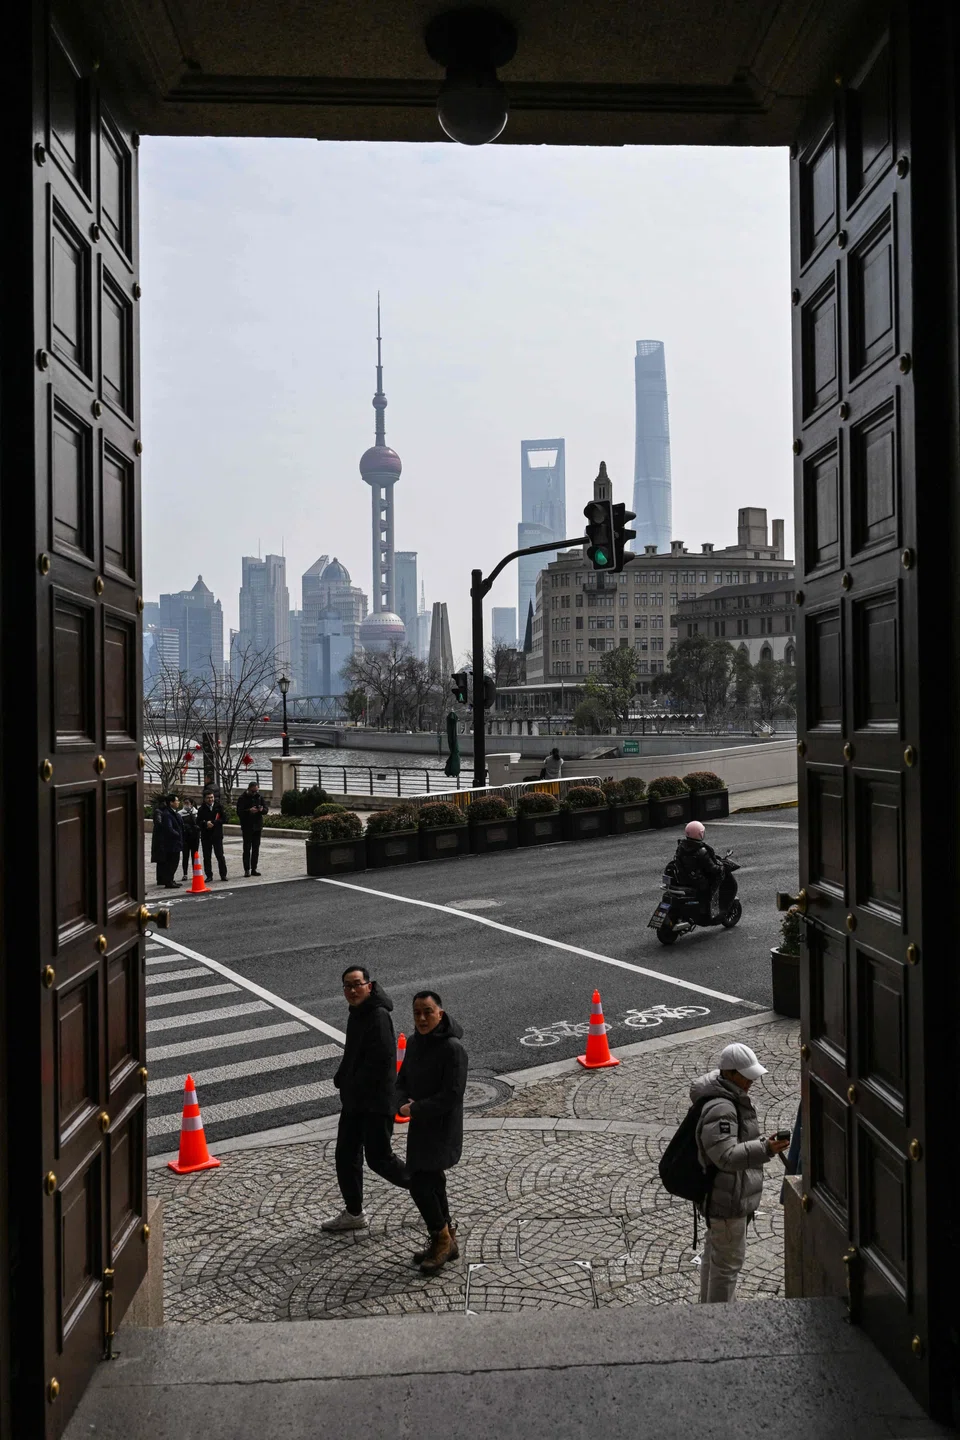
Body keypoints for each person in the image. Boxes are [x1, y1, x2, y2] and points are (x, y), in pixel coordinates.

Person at [691, 1042, 789, 1303]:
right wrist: (765, 1148)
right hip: (727, 1199)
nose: (751, 1082)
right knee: (727, 1266)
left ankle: (707, 1313)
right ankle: (720, 1325)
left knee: (716, 1260)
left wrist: (762, 1146)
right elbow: (725, 1157)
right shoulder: (722, 1108)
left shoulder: (725, 1097)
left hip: (723, 1196)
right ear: (730, 1073)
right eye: (746, 1076)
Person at [322, 966, 410, 1233]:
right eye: (347, 986)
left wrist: (355, 1086)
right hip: (356, 1101)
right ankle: (354, 1212)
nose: (352, 990)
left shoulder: (378, 1015)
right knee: (346, 1155)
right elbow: (354, 1053)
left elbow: (381, 1064)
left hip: (374, 1103)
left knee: (380, 1159)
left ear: (369, 986)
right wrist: (342, 1077)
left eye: (357, 984)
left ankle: (427, 1185)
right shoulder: (359, 1012)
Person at [396, 989, 468, 1275]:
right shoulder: (414, 1043)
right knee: (432, 1180)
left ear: (440, 1012)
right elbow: (401, 1080)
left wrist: (414, 1109)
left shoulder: (452, 1049)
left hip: (442, 1128)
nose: (422, 1018)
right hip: (421, 1124)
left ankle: (441, 1237)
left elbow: (452, 1095)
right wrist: (399, 1103)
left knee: (419, 1183)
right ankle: (446, 1236)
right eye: (417, 1013)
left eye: (428, 1011)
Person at [674, 819, 723, 918]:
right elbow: (711, 868)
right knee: (710, 887)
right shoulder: (701, 850)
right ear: (700, 834)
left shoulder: (681, 846)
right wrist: (720, 868)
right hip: (697, 880)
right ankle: (707, 910)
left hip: (683, 878)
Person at [236, 780, 269, 876]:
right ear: (249, 789)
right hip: (247, 826)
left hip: (257, 826)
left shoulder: (259, 797)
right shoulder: (242, 798)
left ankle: (254, 868)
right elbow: (239, 812)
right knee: (246, 848)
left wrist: (262, 810)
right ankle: (247, 869)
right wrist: (249, 811)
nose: (255, 793)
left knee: (256, 849)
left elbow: (266, 810)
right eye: (253, 791)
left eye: (256, 791)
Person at [150, 794, 183, 889]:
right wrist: (178, 834)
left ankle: (170, 880)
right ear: (170, 802)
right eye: (177, 801)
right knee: (171, 862)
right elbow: (168, 828)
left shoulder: (171, 813)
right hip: (171, 843)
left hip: (173, 842)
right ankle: (168, 881)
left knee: (172, 862)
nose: (178, 802)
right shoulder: (166, 814)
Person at [197, 788, 228, 882]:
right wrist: (206, 823)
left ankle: (223, 874)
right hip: (206, 836)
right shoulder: (201, 809)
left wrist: (215, 822)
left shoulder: (219, 807)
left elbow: (225, 819)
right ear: (204, 799)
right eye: (208, 798)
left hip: (217, 835)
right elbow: (198, 821)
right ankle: (209, 875)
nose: (210, 800)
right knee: (207, 857)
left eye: (211, 797)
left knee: (220, 856)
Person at [179, 797, 201, 880]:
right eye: (184, 803)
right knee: (185, 856)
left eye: (187, 803)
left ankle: (195, 872)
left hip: (195, 837)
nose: (186, 805)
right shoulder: (180, 813)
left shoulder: (196, 813)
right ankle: (185, 873)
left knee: (194, 856)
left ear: (191, 804)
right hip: (185, 838)